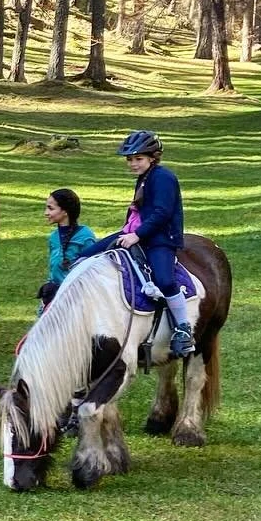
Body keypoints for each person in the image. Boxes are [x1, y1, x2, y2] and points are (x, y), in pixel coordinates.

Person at [96, 129, 194, 358]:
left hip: (161, 238)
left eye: (138, 158)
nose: (132, 163)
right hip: (138, 233)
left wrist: (137, 235)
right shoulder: (144, 178)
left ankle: (183, 328)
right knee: (89, 254)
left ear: (153, 157)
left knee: (164, 279)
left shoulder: (163, 177)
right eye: (129, 159)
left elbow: (162, 212)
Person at [38, 187, 98, 310]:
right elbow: (54, 270)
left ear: (65, 211)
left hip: (76, 303)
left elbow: (92, 273)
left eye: (51, 208)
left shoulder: (85, 237)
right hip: (53, 299)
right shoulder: (53, 238)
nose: (46, 213)